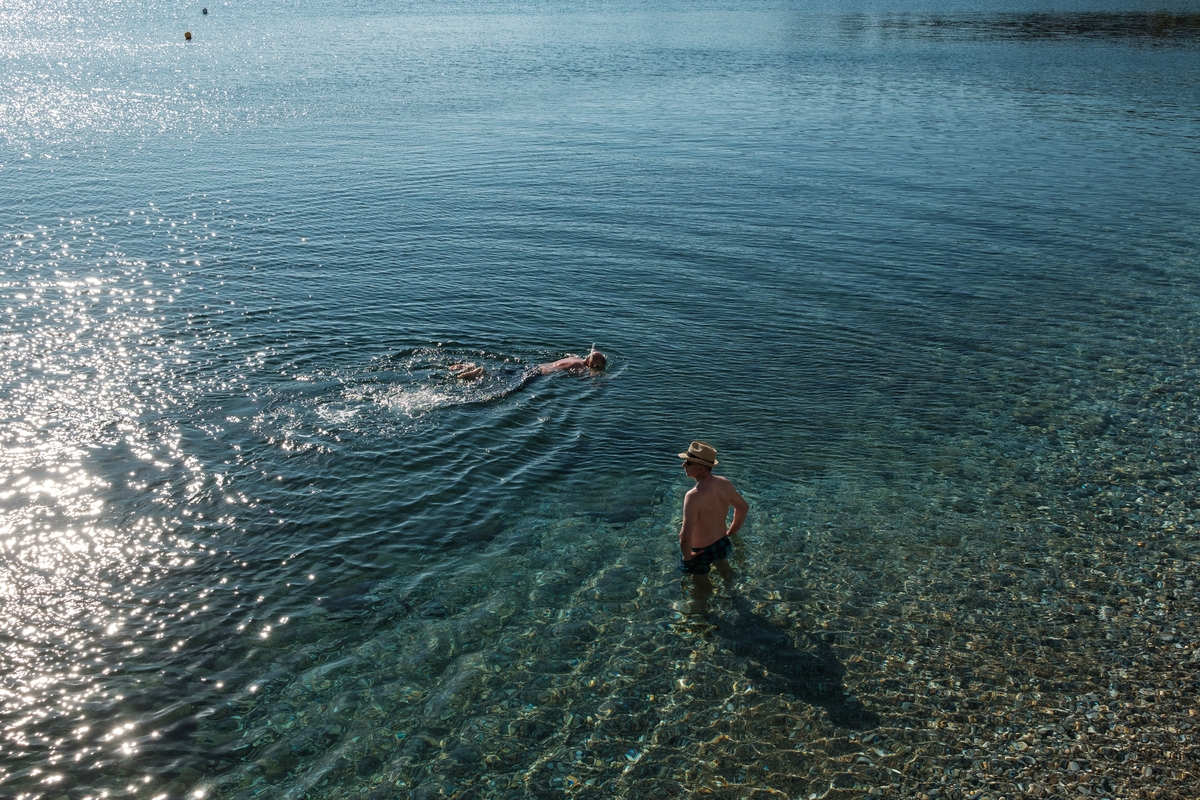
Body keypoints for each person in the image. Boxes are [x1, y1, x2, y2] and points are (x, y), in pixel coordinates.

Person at [677, 441, 749, 613]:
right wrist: (731, 531)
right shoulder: (724, 483)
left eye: (688, 462)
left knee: (702, 586)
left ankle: (700, 615)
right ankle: (734, 594)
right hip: (721, 543)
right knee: (724, 568)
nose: (683, 465)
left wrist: (687, 558)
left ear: (700, 467)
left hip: (700, 552)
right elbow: (743, 508)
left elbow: (685, 536)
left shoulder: (693, 496)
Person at [537, 350, 606, 375]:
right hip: (542, 373)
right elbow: (583, 380)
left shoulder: (575, 358)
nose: (595, 367)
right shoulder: (580, 366)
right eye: (597, 366)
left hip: (539, 366)